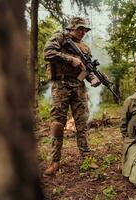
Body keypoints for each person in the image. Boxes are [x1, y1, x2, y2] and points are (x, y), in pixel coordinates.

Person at [43, 17, 100, 176]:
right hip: (60, 86)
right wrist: (70, 58)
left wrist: (92, 78)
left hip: (78, 87)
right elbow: (48, 53)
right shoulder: (60, 38)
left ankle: (86, 158)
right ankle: (55, 161)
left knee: (82, 123)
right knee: (58, 124)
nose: (83, 32)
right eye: (80, 29)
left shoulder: (85, 48)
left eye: (85, 30)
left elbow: (85, 70)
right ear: (71, 28)